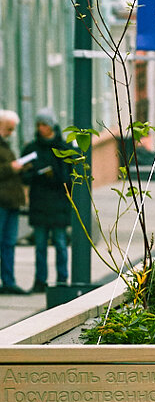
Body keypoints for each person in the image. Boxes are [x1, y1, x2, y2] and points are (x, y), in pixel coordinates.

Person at [25, 108, 72, 293]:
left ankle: (62, 280)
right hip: (39, 204)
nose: (41, 128)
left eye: (44, 124)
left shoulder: (63, 149)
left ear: (51, 125)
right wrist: (34, 172)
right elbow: (24, 175)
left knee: (60, 244)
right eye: (38, 124)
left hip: (58, 204)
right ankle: (40, 280)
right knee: (40, 247)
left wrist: (52, 174)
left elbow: (68, 179)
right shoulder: (31, 148)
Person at [0, 110, 27, 294]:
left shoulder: (6, 146)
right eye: (9, 128)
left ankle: (9, 281)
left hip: (11, 202)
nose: (11, 132)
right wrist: (11, 167)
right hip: (2, 201)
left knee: (9, 243)